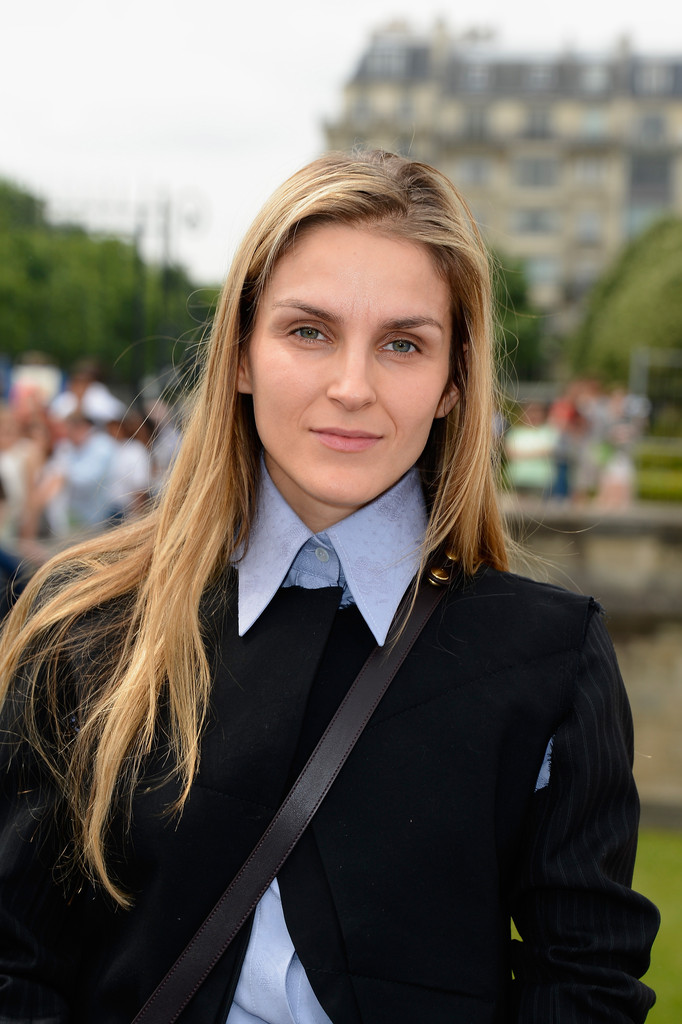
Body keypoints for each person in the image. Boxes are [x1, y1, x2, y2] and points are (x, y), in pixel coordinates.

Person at [0, 150, 658, 1023]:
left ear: (454, 382)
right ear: (240, 353)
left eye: (402, 344)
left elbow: (584, 985)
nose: (352, 388)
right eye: (309, 331)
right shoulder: (84, 625)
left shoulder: (551, 662)